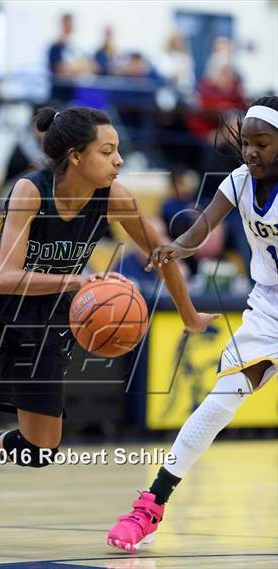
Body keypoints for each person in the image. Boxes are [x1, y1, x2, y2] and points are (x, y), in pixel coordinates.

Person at [0, 106, 216, 556]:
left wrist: (189, 313)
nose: (119, 160)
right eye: (108, 150)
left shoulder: (115, 197)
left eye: (119, 151)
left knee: (40, 449)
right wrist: (77, 281)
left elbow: (161, 253)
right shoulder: (30, 190)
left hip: (45, 315)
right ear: (76, 156)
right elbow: (6, 276)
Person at [107, 96, 278, 552]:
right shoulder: (240, 181)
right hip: (269, 310)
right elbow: (203, 225)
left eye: (263, 143)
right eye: (248, 142)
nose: (252, 152)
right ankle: (151, 505)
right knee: (220, 403)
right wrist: (179, 248)